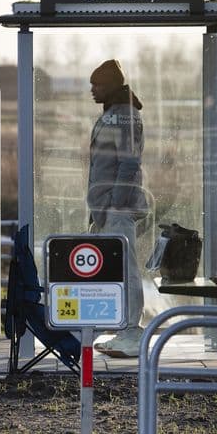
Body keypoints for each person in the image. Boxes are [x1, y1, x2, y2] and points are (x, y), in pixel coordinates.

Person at [85, 59, 149, 358]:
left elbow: (129, 164)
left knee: (127, 270)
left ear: (110, 85)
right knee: (118, 270)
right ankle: (125, 330)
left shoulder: (124, 116)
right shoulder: (115, 113)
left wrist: (114, 205)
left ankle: (133, 333)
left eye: (97, 85)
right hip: (108, 208)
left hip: (117, 209)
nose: (93, 91)